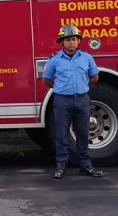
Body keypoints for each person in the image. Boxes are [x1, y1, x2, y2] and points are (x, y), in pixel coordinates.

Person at [42, 25, 103, 179]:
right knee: (61, 134)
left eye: (74, 39)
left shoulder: (86, 57)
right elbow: (46, 80)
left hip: (82, 99)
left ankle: (86, 166)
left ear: (78, 41)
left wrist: (82, 86)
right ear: (62, 42)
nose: (71, 43)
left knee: (83, 133)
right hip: (62, 100)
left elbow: (94, 77)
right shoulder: (54, 60)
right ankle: (61, 166)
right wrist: (61, 88)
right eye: (68, 40)